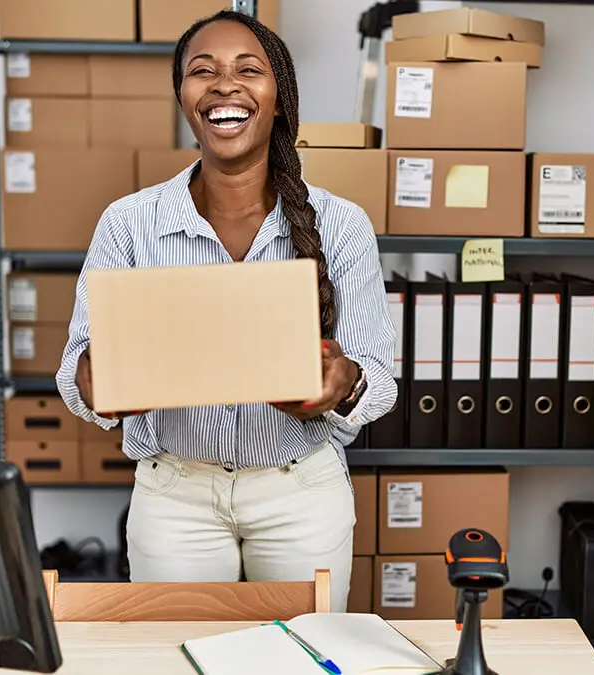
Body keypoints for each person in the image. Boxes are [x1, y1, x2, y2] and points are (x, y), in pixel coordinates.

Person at [54, 10, 396, 614]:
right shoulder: (130, 223)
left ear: (279, 98)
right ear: (184, 98)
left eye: (249, 70)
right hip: (175, 495)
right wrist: (95, 379)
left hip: (301, 492)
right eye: (201, 71)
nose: (223, 85)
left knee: (302, 657)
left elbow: (378, 379)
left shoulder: (342, 225)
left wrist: (344, 382)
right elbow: (75, 375)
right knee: (178, 655)